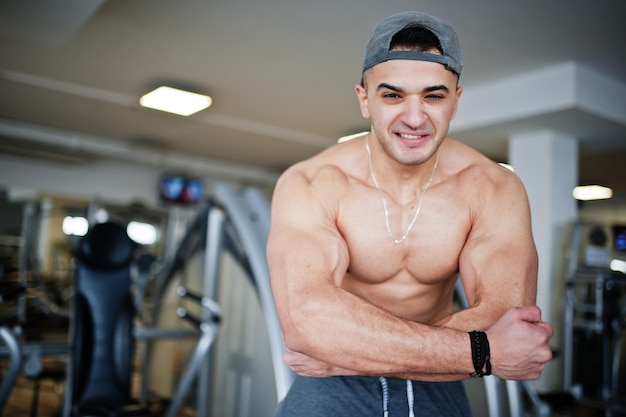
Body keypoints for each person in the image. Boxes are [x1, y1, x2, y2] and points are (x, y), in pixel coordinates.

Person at [266, 11, 554, 417]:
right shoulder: (311, 182)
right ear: (365, 99)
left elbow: (507, 321)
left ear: (456, 100)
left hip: (433, 387)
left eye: (434, 96)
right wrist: (482, 352)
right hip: (332, 389)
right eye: (393, 95)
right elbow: (307, 321)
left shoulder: (494, 188)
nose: (415, 118)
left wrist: (341, 352)